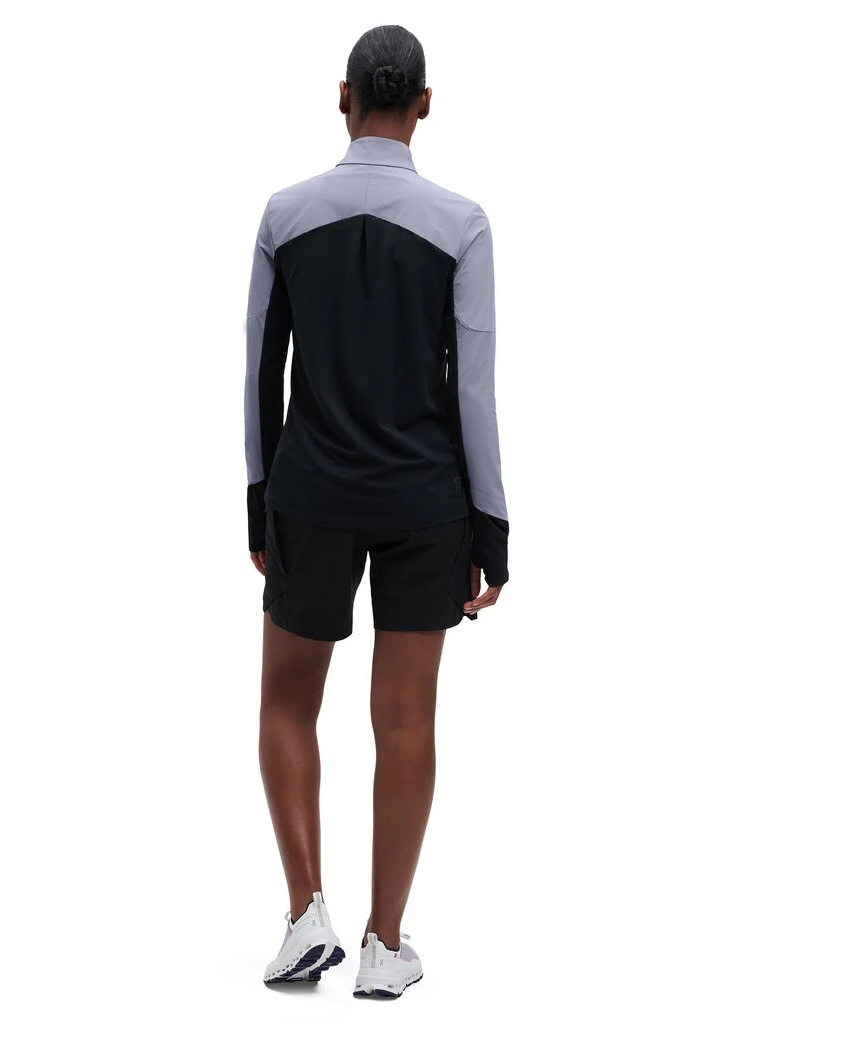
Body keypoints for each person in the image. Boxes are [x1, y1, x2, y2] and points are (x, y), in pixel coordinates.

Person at [244, 24, 510, 999]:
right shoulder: (463, 224)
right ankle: (382, 947)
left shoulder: (284, 215)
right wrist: (491, 528)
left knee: (286, 703)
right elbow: (473, 391)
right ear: (425, 105)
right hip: (425, 502)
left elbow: (258, 370)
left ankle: (304, 915)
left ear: (342, 96)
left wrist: (258, 502)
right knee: (405, 724)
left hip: (310, 493)